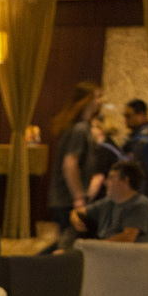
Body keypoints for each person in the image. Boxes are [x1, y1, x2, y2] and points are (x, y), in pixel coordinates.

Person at [47, 81, 102, 233]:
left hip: (64, 199)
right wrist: (78, 198)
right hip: (67, 200)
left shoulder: (79, 127)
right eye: (97, 97)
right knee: (69, 241)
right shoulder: (80, 129)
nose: (101, 101)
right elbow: (70, 164)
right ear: (87, 100)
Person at [69, 158, 148, 243]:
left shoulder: (140, 205)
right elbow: (80, 211)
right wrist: (75, 216)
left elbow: (127, 238)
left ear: (125, 180)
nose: (106, 182)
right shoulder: (109, 202)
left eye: (111, 178)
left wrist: (94, 246)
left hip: (125, 252)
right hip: (103, 250)